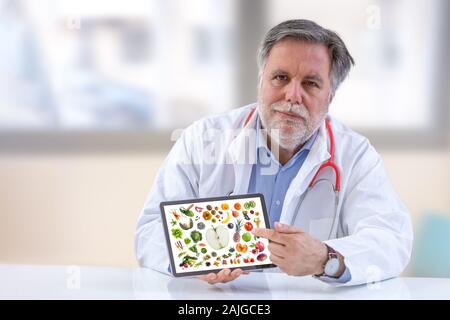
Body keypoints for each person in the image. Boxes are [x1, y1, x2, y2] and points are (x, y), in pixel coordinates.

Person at [135, 19, 413, 286]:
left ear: (330, 96)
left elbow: (390, 239)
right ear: (261, 81)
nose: (292, 95)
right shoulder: (202, 139)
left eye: (311, 83)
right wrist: (193, 257)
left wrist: (323, 258)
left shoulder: (356, 156)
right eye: (280, 77)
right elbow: (149, 231)